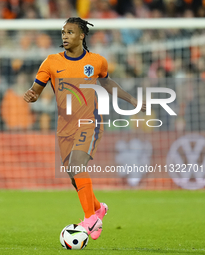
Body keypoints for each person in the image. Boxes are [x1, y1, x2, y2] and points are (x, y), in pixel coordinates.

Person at [24, 17, 146, 240]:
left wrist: (133, 101)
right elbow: (36, 90)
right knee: (74, 176)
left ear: (82, 35)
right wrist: (32, 95)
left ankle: (90, 219)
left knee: (77, 164)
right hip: (64, 127)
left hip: (90, 122)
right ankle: (99, 208)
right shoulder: (50, 62)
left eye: (70, 32)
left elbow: (109, 84)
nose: (65, 36)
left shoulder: (97, 62)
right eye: (63, 32)